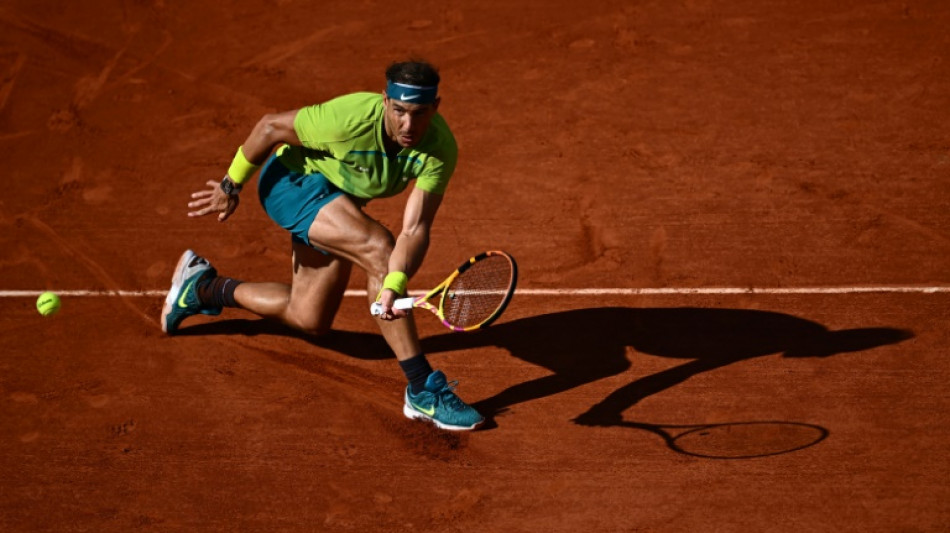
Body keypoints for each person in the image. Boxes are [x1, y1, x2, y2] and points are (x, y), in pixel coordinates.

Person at [160, 60, 483, 431]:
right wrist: (230, 185)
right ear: (384, 102)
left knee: (308, 317)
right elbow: (270, 126)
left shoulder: (440, 149)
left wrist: (394, 283)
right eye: (400, 112)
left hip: (338, 199)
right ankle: (422, 390)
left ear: (436, 108)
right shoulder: (346, 121)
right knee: (378, 248)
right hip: (291, 185)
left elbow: (416, 228)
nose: (408, 125)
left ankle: (203, 288)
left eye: (420, 113)